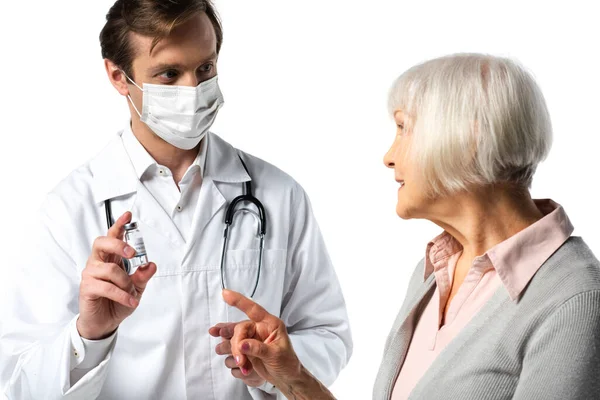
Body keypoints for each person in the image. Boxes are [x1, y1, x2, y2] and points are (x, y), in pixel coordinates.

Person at [0, 1, 352, 399]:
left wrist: (272, 367)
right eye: (169, 74)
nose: (194, 91)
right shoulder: (68, 210)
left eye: (205, 69)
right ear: (119, 77)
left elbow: (329, 335)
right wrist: (90, 335)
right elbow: (18, 383)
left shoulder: (278, 195)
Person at [219, 53, 600, 400]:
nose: (389, 157)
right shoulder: (435, 270)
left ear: (470, 138)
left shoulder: (574, 300)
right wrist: (295, 378)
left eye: (404, 129)